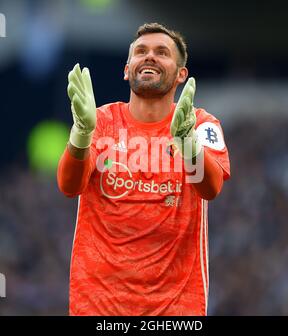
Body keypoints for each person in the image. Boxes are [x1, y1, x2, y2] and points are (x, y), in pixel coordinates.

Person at [57, 22, 230, 316]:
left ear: (180, 75)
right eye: (141, 51)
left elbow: (210, 188)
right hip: (98, 308)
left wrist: (187, 142)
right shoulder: (100, 121)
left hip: (176, 310)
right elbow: (69, 186)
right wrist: (82, 132)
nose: (149, 56)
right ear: (127, 70)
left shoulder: (201, 124)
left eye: (161, 52)